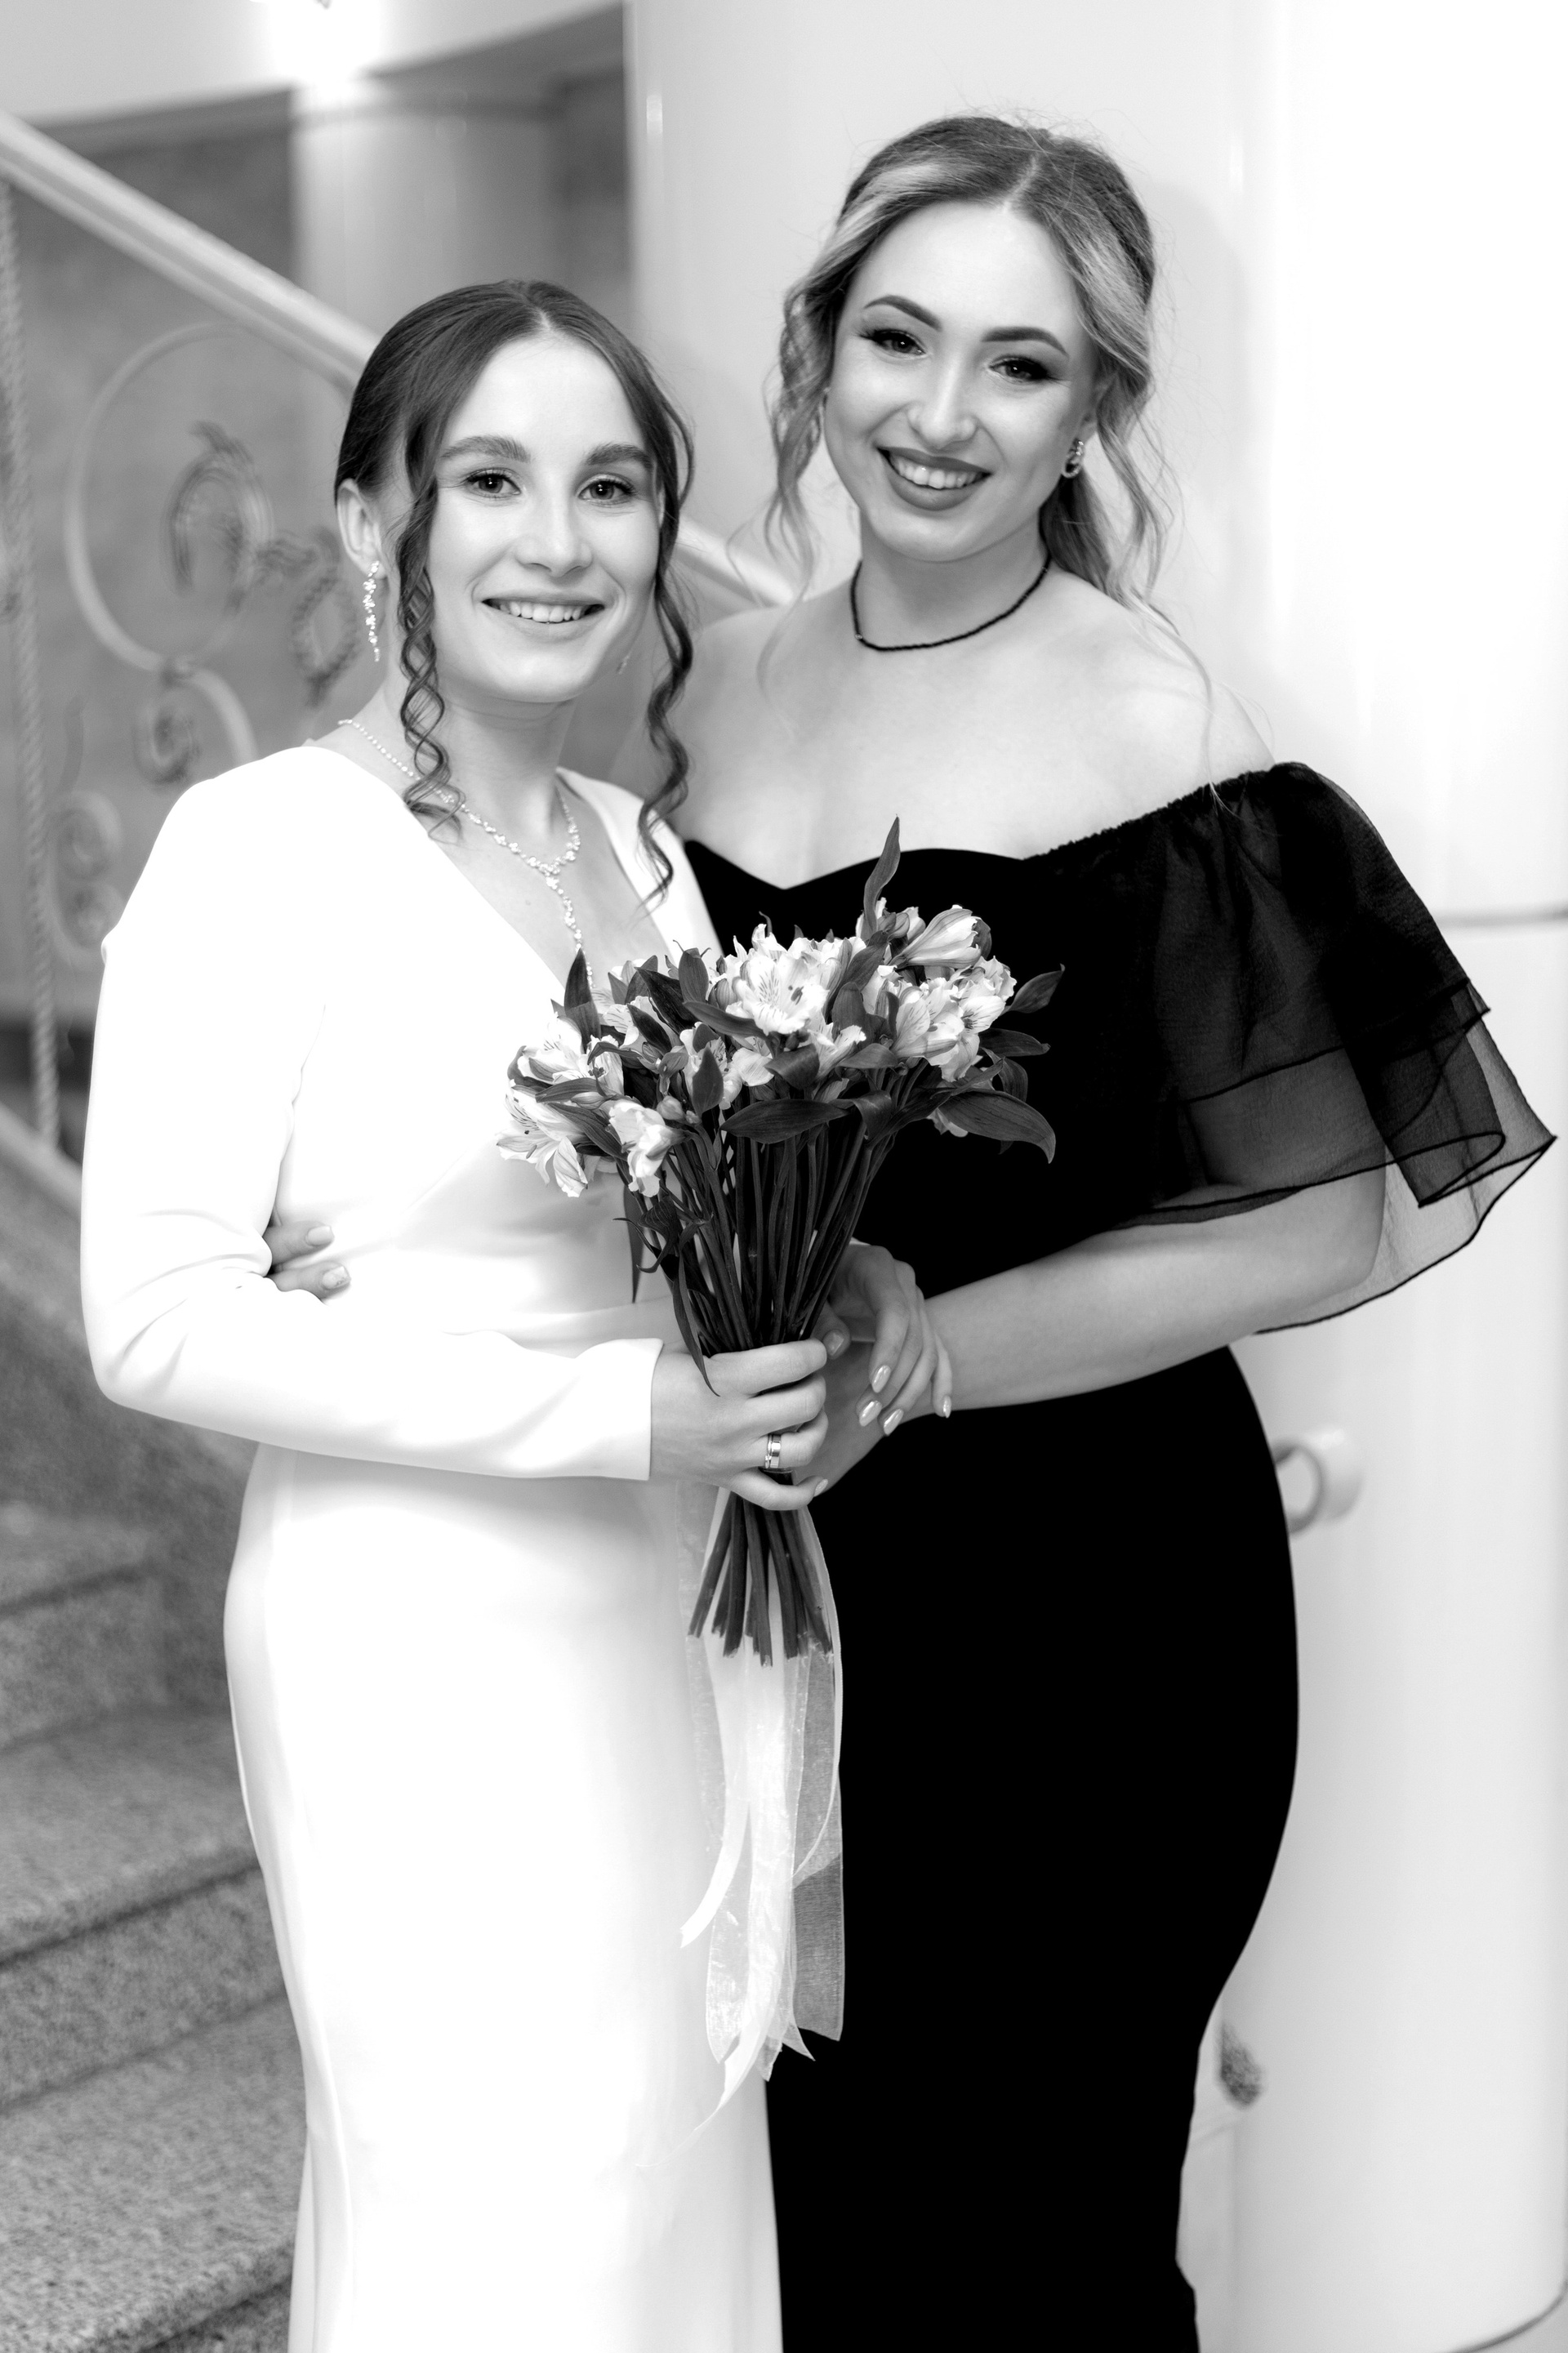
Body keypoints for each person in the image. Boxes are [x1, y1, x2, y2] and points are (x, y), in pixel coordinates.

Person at [630, 116, 1551, 2347]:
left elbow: (1331, 1223)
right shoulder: (710, 687)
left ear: (1093, 415)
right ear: (815, 352)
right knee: (819, 2217)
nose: (942, 414)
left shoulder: (1157, 721)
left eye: (1020, 365)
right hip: (788, 1575)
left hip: (1094, 1598)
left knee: (1033, 2238)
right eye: (899, 339)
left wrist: (928, 1349)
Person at [78, 280, 944, 2353]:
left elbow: (673, 1218)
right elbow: (157, 1320)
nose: (559, 541)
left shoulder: (641, 851)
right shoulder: (257, 849)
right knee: (495, 2227)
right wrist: (619, 1415)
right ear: (373, 521)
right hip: (417, 1641)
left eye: (611, 487)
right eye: (491, 480)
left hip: (662, 1611)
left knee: (663, 2191)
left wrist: (827, 1269)